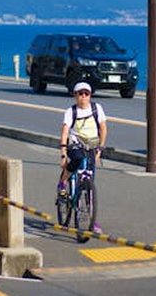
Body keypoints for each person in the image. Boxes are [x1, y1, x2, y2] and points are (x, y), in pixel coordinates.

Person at [57, 82, 106, 215]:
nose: (83, 97)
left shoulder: (97, 108)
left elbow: (103, 128)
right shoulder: (71, 111)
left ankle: (90, 216)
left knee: (90, 180)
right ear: (75, 95)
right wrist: (63, 153)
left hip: (92, 144)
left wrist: (100, 148)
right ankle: (63, 182)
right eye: (80, 94)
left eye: (86, 94)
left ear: (90, 95)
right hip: (75, 143)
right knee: (78, 159)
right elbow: (65, 132)